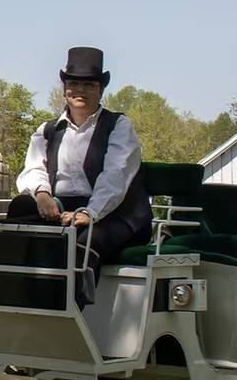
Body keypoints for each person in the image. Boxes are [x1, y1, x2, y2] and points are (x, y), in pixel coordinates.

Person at [9, 46, 152, 306]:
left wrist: (90, 213)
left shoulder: (119, 126)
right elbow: (33, 168)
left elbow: (115, 176)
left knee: (83, 244)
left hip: (115, 214)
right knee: (21, 207)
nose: (80, 90)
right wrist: (42, 194)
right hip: (63, 210)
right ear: (65, 89)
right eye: (73, 84)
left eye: (89, 85)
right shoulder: (48, 130)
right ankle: (15, 297)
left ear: (101, 90)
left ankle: (69, 312)